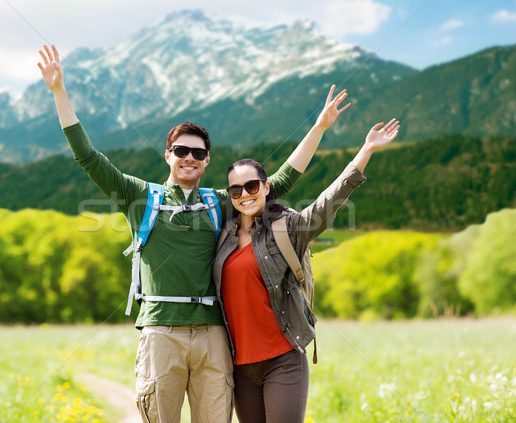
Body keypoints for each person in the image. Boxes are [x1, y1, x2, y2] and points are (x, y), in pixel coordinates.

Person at [37, 43, 351, 422]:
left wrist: (318, 127)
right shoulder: (140, 196)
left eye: (198, 153)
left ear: (207, 161)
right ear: (167, 154)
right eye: (181, 150)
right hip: (160, 332)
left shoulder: (221, 200)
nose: (189, 157)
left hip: (213, 335)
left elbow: (279, 181)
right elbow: (88, 157)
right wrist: (59, 92)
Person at [212, 119, 400, 423]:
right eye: (236, 189)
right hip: (239, 366)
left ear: (266, 186)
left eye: (251, 185)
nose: (244, 194)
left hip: (283, 359)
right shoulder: (222, 236)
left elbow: (329, 201)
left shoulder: (288, 227)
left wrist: (366, 150)